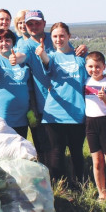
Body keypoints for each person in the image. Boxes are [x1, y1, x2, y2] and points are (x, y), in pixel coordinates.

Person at [35, 22, 89, 183]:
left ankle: (79, 185)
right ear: (51, 38)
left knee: (76, 152)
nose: (58, 39)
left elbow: (95, 70)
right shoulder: (51, 56)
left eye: (62, 36)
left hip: (77, 112)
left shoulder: (80, 56)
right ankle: (58, 187)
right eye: (55, 36)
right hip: (55, 113)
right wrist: (41, 53)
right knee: (56, 152)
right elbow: (46, 62)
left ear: (69, 37)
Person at [84, 52, 106, 202]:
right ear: (86, 67)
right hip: (90, 124)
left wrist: (104, 98)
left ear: (104, 67)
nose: (94, 69)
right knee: (97, 162)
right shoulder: (84, 81)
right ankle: (101, 194)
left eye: (98, 66)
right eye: (90, 66)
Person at [0, 29, 30, 139]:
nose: (4, 43)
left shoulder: (22, 61)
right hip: (0, 116)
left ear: (13, 43)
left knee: (19, 150)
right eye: (0, 41)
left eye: (7, 40)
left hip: (21, 117)